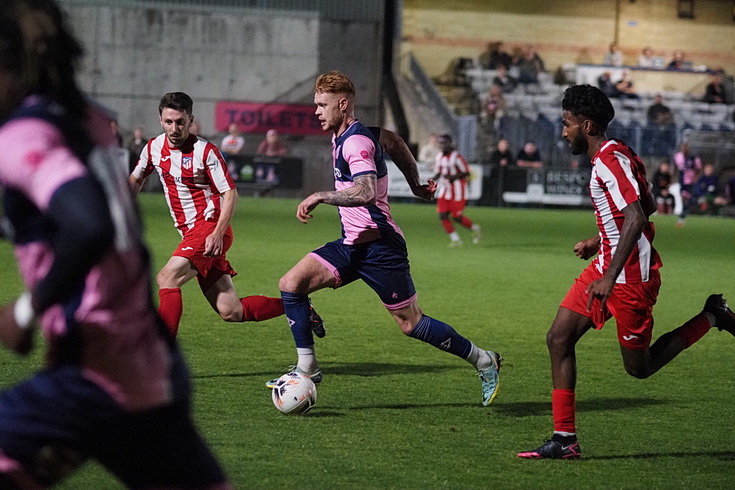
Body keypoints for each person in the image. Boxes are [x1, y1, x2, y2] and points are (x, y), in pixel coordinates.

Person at [0, 1, 233, 488]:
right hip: (154, 375)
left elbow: (89, 226)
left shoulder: (25, 135)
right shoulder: (92, 121)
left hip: (92, 376)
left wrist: (25, 312)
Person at [517, 84, 735, 460]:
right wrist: (598, 240)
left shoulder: (608, 161)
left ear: (586, 126)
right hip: (608, 264)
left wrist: (609, 274)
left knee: (640, 367)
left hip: (631, 277)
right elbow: (645, 204)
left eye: (567, 123)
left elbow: (635, 217)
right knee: (558, 338)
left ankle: (712, 315)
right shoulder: (617, 151)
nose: (563, 131)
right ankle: (564, 439)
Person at [265, 71, 501, 407]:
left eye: (322, 105)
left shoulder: (356, 142)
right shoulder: (357, 134)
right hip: (352, 244)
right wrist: (417, 184)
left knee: (410, 323)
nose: (316, 111)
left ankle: (483, 360)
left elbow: (365, 190)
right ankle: (308, 368)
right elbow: (393, 141)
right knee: (291, 283)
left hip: (379, 247)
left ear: (343, 104)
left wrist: (322, 195)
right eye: (315, 104)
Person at [129, 93, 321, 338]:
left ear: (190, 120)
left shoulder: (205, 151)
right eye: (169, 122)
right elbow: (136, 178)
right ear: (160, 120)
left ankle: (162, 360)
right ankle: (300, 307)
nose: (174, 128)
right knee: (231, 310)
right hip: (190, 234)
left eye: (180, 122)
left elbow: (230, 193)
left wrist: (218, 233)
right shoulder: (154, 148)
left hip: (209, 228)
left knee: (167, 278)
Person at [432, 134, 482, 246]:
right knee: (443, 215)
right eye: (440, 143)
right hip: (445, 190)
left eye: (444, 143)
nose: (442, 146)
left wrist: (453, 177)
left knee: (456, 217)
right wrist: (433, 178)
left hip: (458, 191)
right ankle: (455, 240)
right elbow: (439, 171)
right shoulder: (439, 156)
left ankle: (474, 228)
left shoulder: (456, 157)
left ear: (450, 144)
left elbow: (466, 172)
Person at [672, 142, 702, 226]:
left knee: (688, 198)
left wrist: (695, 178)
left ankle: (683, 215)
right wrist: (673, 178)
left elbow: (699, 169)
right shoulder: (678, 157)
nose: (684, 149)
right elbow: (675, 168)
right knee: (683, 198)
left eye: (686, 148)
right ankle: (683, 214)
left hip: (690, 181)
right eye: (683, 148)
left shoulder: (693, 158)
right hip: (682, 181)